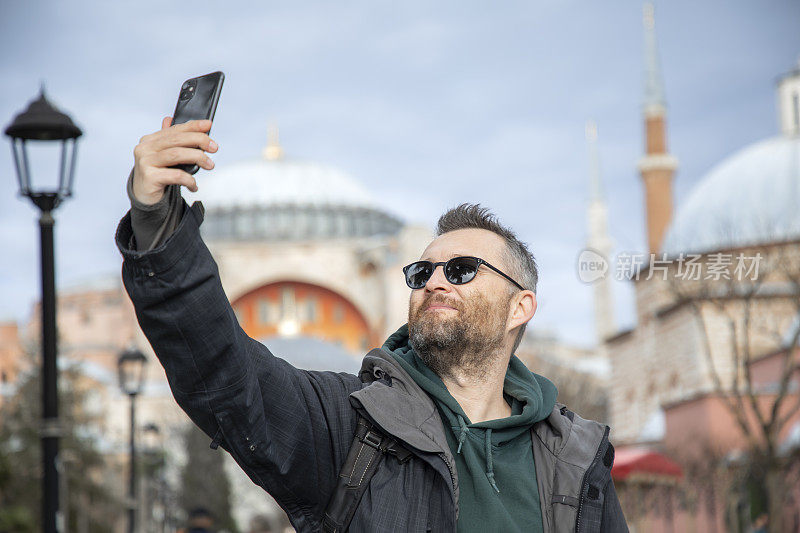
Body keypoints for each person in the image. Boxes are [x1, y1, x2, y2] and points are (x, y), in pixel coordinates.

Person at [116, 118, 628, 532]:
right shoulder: (351, 425)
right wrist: (158, 222)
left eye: (462, 270)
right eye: (422, 272)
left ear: (521, 307)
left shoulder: (574, 459)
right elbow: (224, 370)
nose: (435, 283)